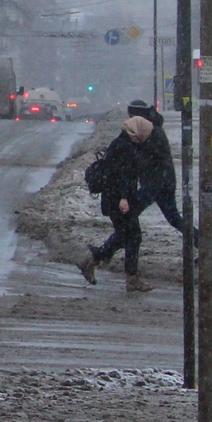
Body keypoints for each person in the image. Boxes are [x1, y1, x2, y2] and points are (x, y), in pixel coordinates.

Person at [80, 115, 156, 292]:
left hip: (117, 198)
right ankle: (130, 277)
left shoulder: (123, 143)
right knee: (132, 236)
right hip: (118, 200)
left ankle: (94, 259)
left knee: (126, 236)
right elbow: (121, 174)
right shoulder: (124, 146)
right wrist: (123, 198)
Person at [125, 99, 186, 239]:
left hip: (155, 183)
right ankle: (201, 244)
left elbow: (142, 157)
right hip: (162, 181)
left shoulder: (150, 132)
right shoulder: (151, 128)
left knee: (129, 214)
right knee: (174, 218)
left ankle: (105, 252)